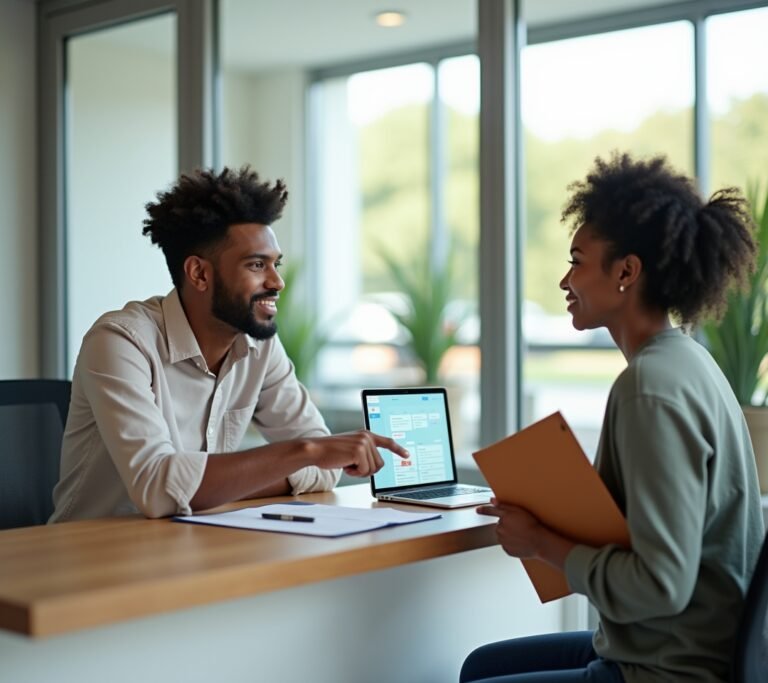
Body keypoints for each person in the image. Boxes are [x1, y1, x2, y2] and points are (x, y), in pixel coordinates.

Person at [460, 152, 766, 683]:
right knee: (480, 667)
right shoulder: (686, 359)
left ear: (626, 271)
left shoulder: (650, 388)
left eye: (577, 260)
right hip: (667, 645)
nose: (564, 280)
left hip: (671, 669)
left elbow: (660, 584)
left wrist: (541, 543)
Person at [50, 166, 408, 522]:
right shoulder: (120, 342)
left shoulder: (259, 346)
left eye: (275, 264)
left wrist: (203, 488)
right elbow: (158, 488)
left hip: (189, 543)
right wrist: (305, 452)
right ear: (199, 274)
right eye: (257, 265)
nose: (277, 281)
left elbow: (326, 469)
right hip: (92, 556)